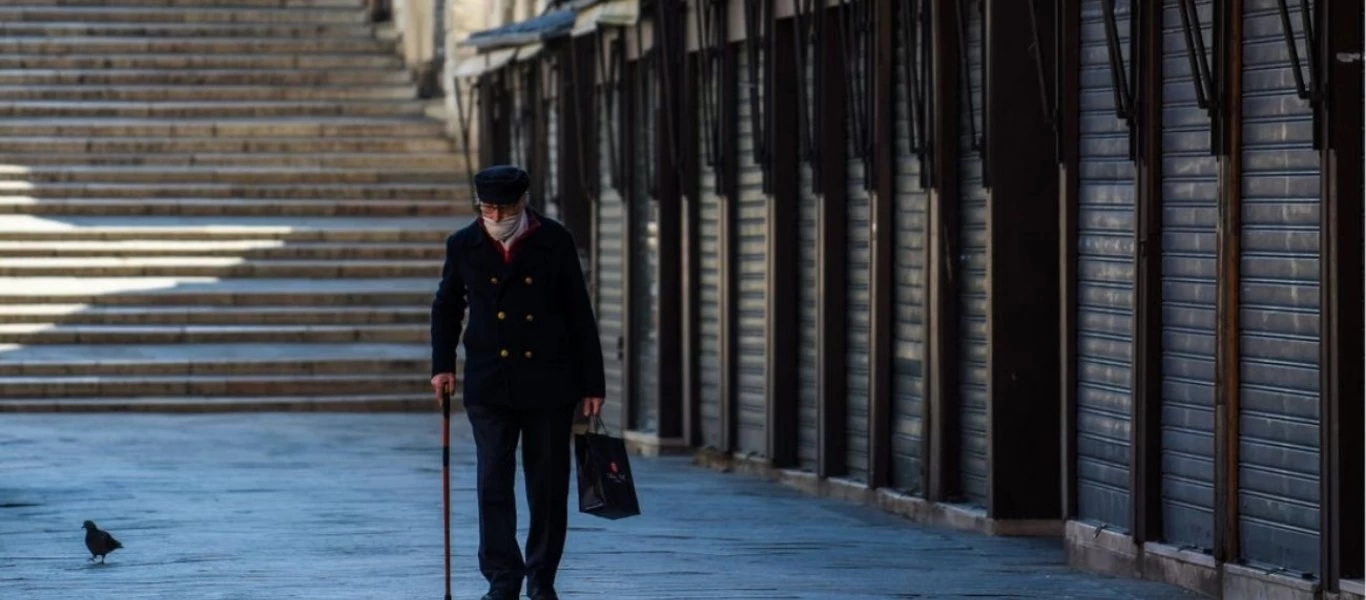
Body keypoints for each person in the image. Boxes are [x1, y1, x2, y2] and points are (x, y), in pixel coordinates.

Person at [430, 165, 606, 600]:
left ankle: (541, 578)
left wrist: (592, 382)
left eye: (502, 207)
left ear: (522, 203)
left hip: (549, 381)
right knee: (493, 481)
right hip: (490, 382)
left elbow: (578, 313)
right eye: (486, 207)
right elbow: (447, 306)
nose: (494, 215)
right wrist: (443, 364)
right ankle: (502, 579)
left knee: (546, 485)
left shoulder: (553, 240)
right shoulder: (464, 244)